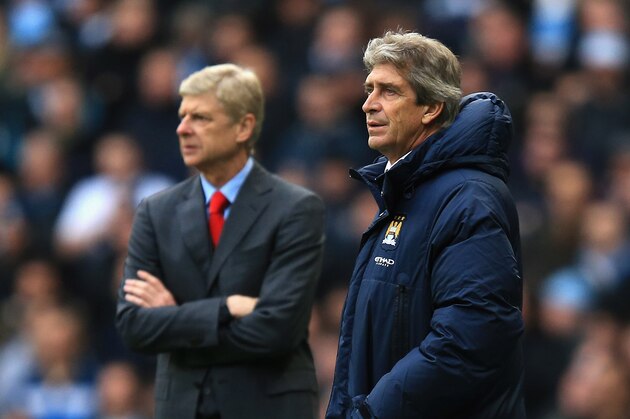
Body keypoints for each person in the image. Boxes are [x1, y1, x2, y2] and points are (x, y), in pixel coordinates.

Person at [326, 31, 525, 418]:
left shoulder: (468, 199)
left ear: (431, 107)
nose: (368, 105)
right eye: (369, 89)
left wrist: (370, 414)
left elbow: (468, 340)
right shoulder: (404, 192)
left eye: (389, 92)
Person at [116, 63, 325, 419]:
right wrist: (227, 308)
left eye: (200, 118)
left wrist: (174, 319)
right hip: (182, 407)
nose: (182, 129)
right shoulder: (155, 211)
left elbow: (277, 330)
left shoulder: (296, 208)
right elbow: (134, 327)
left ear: (243, 127)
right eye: (182, 116)